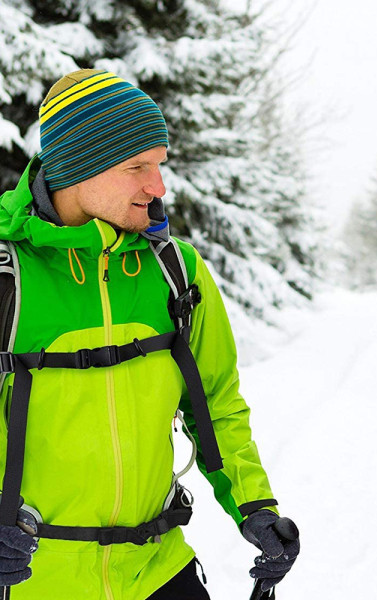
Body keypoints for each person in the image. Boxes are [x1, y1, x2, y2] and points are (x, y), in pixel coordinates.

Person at [0, 69, 299, 599]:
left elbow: (217, 404)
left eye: (159, 165)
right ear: (76, 168)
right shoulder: (8, 278)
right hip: (35, 580)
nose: (157, 187)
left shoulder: (175, 272)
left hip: (156, 572)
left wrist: (255, 507)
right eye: (137, 167)